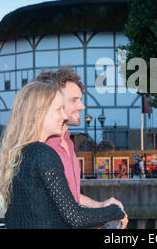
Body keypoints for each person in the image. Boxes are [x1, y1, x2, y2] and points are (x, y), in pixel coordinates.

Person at [0, 81, 126, 228]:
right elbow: (76, 217)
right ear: (39, 113)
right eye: (58, 109)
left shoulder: (18, 154)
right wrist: (115, 211)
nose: (64, 116)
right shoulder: (43, 154)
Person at [35, 68, 126, 216]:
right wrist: (109, 214)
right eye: (74, 100)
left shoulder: (68, 142)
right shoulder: (45, 147)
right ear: (54, 102)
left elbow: (70, 196)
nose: (82, 106)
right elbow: (64, 212)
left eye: (80, 99)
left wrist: (100, 205)